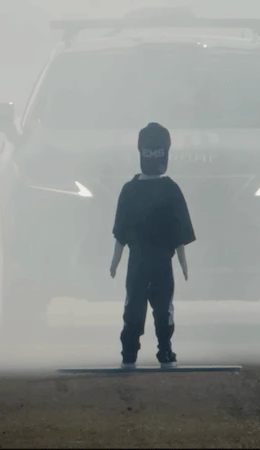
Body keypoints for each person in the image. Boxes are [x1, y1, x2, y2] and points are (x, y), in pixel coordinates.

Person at [110, 122, 196, 369]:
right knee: (138, 308)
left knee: (160, 308)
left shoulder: (159, 189)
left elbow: (177, 234)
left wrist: (182, 260)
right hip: (147, 261)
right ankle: (132, 351)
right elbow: (122, 232)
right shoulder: (156, 190)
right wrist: (115, 259)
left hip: (152, 261)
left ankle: (162, 350)